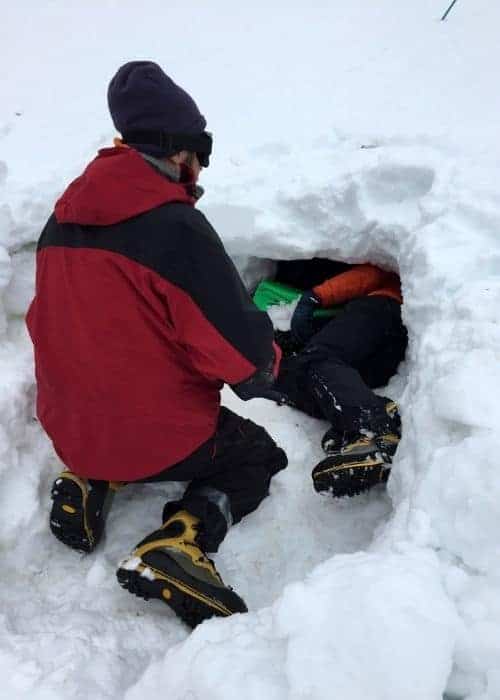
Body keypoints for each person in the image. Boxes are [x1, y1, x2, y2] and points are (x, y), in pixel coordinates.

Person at [26, 61, 287, 628]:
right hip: (152, 437)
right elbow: (239, 356)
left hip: (69, 427)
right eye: (201, 153)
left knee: (119, 415)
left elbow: (45, 321)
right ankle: (179, 543)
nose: (199, 170)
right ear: (178, 153)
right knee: (256, 455)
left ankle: (88, 477)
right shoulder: (174, 229)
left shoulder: (61, 222)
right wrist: (270, 361)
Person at [274, 261, 407, 498]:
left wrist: (315, 296)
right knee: (297, 377)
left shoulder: (386, 279)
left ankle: (375, 428)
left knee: (317, 359)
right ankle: (356, 429)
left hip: (382, 307)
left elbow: (370, 274)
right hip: (384, 352)